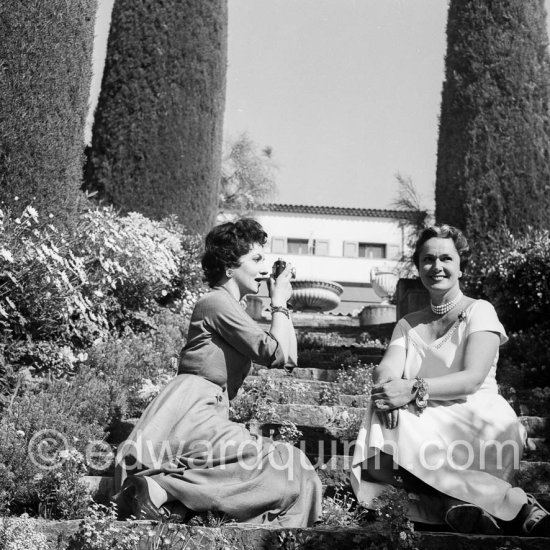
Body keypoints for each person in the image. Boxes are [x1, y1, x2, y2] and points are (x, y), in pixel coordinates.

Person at [113, 218, 322, 526]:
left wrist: (282, 304)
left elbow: (289, 357)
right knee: (283, 462)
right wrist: (277, 302)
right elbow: (274, 353)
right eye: (255, 259)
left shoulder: (232, 307)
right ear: (228, 266)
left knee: (295, 467)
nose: (263, 269)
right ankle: (156, 489)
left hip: (210, 412)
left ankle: (166, 498)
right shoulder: (215, 302)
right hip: (191, 411)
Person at [351, 224, 550, 536]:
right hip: (428, 420)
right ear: (418, 267)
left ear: (460, 266)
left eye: (446, 258)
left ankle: (505, 506)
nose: (437, 266)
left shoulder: (479, 311)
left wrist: (413, 388)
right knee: (378, 416)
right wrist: (387, 390)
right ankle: (480, 507)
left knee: (393, 433)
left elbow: (472, 380)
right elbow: (388, 367)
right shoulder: (407, 325)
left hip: (480, 419)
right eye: (428, 259)